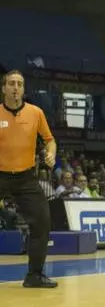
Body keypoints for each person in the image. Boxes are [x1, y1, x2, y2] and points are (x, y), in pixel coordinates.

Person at [0, 70, 58, 288]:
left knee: (42, 221)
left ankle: (34, 275)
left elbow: (50, 140)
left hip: (25, 177)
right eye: (11, 83)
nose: (16, 88)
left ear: (23, 89)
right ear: (3, 88)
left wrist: (51, 154)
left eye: (20, 84)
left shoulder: (36, 113)